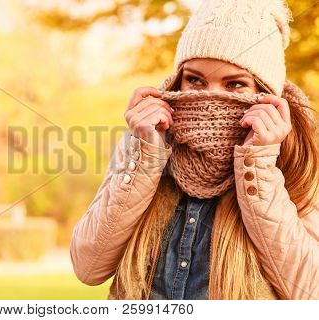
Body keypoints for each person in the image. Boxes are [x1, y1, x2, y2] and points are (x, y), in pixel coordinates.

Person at [70, 0, 319, 300]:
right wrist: (146, 158)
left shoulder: (300, 159)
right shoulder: (146, 144)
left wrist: (260, 167)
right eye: (195, 79)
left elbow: (311, 293)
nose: (209, 97)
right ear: (178, 80)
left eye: (235, 84)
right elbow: (88, 266)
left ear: (265, 94)